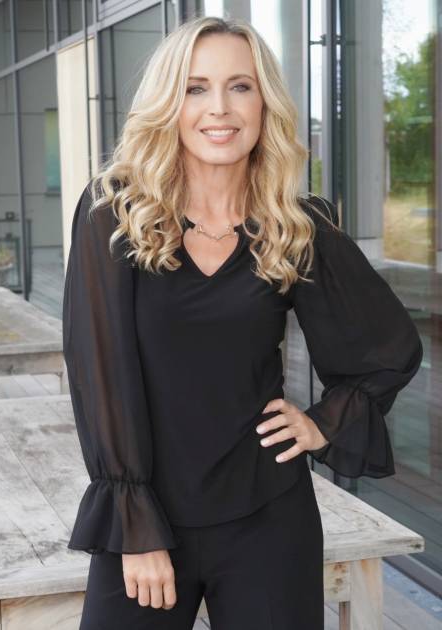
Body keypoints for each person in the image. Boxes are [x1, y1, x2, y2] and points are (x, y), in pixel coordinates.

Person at [62, 15, 423, 630]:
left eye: (240, 86)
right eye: (196, 88)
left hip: (270, 517)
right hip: (147, 519)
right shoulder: (114, 214)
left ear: (263, 103)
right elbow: (99, 375)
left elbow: (388, 347)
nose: (219, 109)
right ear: (169, 104)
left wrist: (323, 422)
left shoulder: (294, 225)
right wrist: (134, 526)